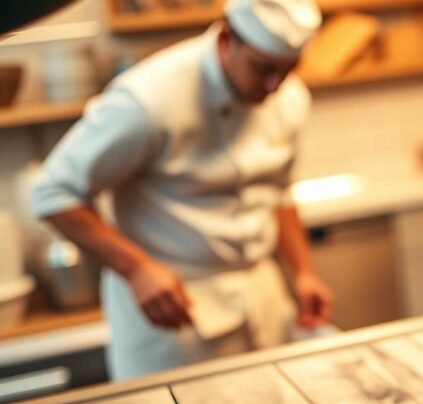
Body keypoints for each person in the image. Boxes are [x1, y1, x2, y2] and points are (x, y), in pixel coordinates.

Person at [30, 0, 334, 380]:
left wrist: (303, 272)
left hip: (263, 295)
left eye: (288, 70)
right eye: (264, 68)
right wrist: (137, 269)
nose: (275, 86)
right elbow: (52, 192)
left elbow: (279, 191)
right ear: (226, 38)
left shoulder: (289, 96)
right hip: (173, 310)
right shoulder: (147, 100)